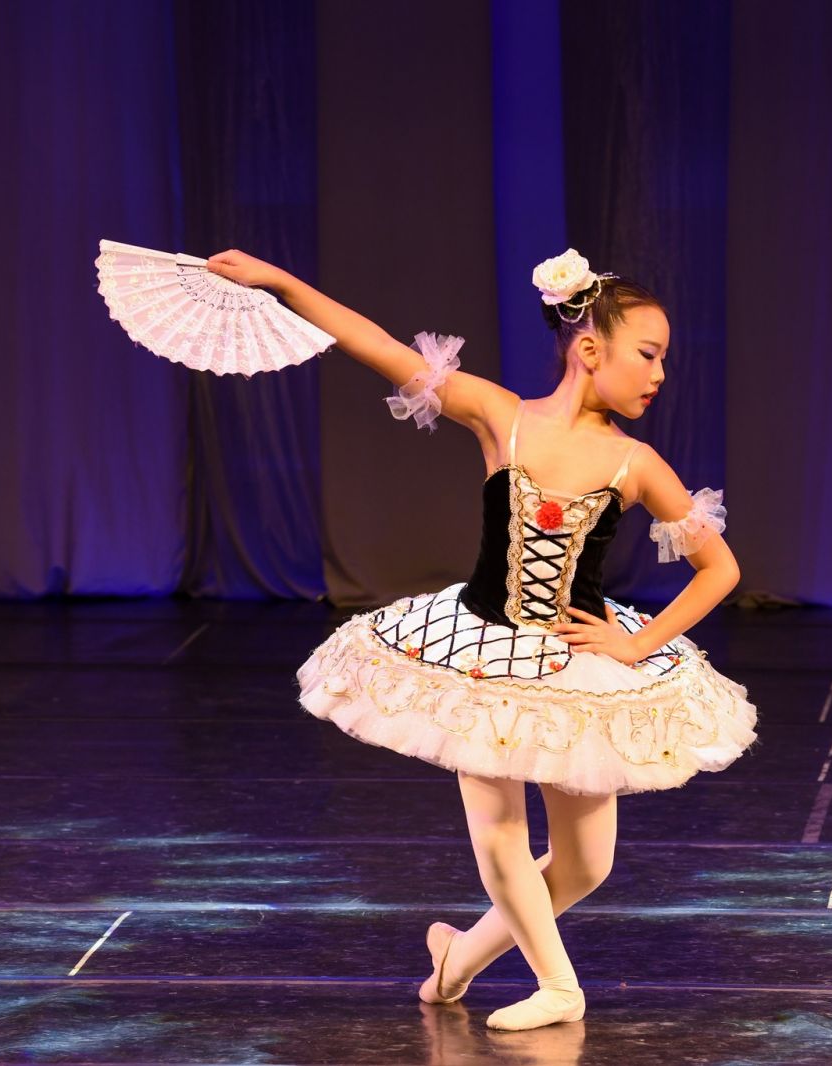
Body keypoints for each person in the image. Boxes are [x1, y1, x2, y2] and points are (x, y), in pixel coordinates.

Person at [205, 246, 759, 1032]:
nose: (660, 374)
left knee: (588, 863)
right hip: (482, 652)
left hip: (572, 664)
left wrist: (638, 645)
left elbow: (719, 568)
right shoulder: (505, 417)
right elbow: (378, 347)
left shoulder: (636, 462)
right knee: (500, 828)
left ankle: (455, 961)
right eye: (648, 354)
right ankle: (559, 988)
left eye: (663, 359)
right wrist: (282, 281)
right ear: (589, 349)